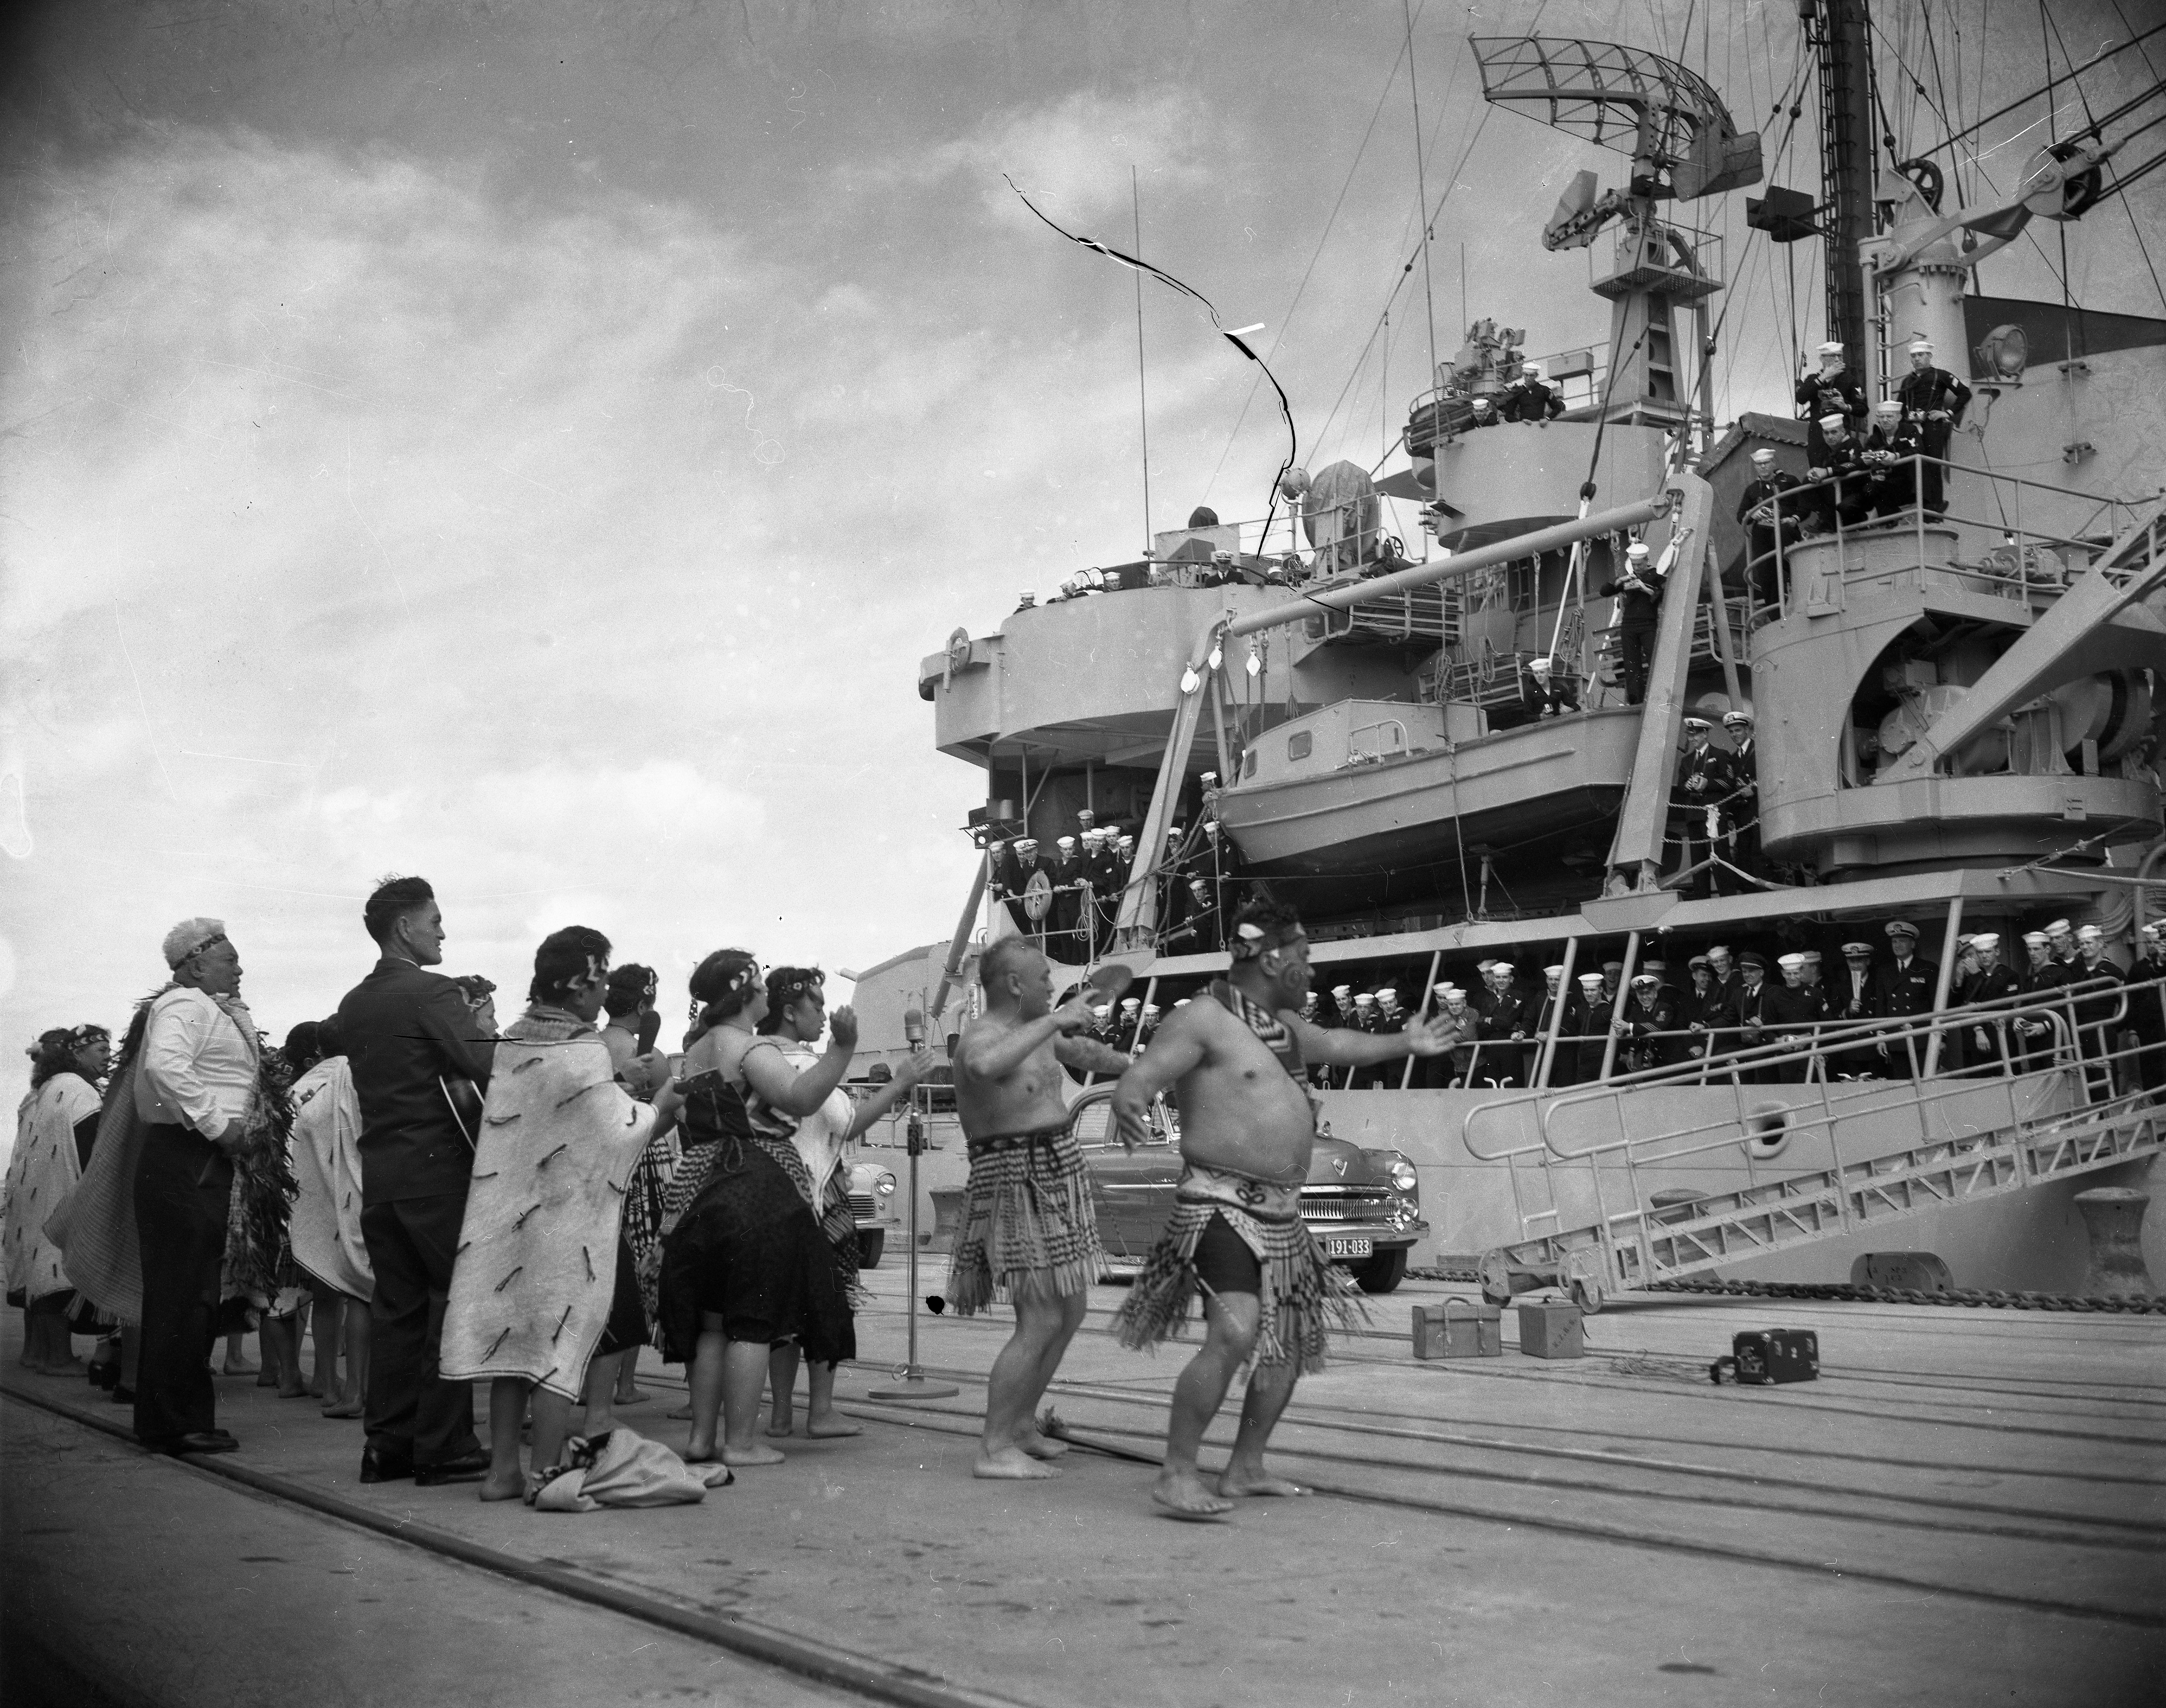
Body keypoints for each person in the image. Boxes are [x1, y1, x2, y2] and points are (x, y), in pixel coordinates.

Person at [1107, 899, 1450, 1516]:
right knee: (1235, 1330)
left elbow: (1339, 1043)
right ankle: (1177, 1472)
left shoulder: (1283, 1026)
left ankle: (1244, 1466)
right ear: (1270, 958)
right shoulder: (1204, 1018)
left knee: (1288, 1342)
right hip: (1219, 1201)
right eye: (1303, 959)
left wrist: (1405, 1039)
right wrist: (1130, 1098)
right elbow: (1146, 1072)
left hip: (1284, 1214)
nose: (1310, 971)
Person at [439, 927, 661, 1502]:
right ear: (578, 985)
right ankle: (547, 1474)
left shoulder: (510, 1043)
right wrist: (663, 1106)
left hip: (503, 1214)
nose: (605, 991)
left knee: (511, 1345)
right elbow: (619, 1131)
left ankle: (502, 1472)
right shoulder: (582, 1048)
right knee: (558, 1342)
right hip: (564, 1221)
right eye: (602, 980)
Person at [654, 949, 860, 1468]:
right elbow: (799, 1097)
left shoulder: (694, 1053)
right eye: (761, 984)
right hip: (755, 1184)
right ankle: (741, 1441)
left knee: (711, 1323)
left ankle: (702, 1438)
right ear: (744, 991)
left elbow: (655, 1120)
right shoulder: (746, 1047)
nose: (769, 992)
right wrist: (842, 1049)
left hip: (697, 1186)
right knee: (751, 1319)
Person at [945, 938, 1133, 1478]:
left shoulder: (1038, 1034)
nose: (1053, 986)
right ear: (1013, 983)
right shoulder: (983, 1036)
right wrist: (1055, 1020)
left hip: (1058, 1171)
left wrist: (1150, 1067)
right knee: (1040, 1316)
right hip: (1012, 1176)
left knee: (1069, 1310)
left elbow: (1089, 1056)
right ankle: (993, 1446)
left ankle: (1022, 1425)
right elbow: (981, 1066)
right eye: (1044, 977)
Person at [336, 875, 496, 1486]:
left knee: (397, 1311)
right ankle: (444, 1443)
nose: (442, 930)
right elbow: (485, 1061)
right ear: (405, 926)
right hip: (439, 1174)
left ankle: (388, 1444)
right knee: (452, 1306)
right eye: (435, 920)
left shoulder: (354, 1003)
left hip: (383, 1174)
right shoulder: (432, 992)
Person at [133, 919, 292, 1456]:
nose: (240, 967)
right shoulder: (186, 1006)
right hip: (190, 1160)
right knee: (185, 1296)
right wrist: (221, 1126)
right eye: (231, 958)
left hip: (194, 1161)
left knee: (193, 1295)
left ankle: (178, 1417)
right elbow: (165, 1065)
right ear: (197, 965)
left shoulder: (207, 1009)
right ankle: (174, 1422)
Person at [756, 966, 933, 1440]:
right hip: (815, 1201)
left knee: (779, 1314)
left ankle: (779, 1414)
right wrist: (899, 1083)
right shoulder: (799, 1064)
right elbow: (848, 1121)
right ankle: (820, 1411)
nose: (824, 1014)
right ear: (790, 1012)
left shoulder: (754, 1060)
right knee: (826, 1310)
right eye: (816, 1004)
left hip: (767, 1202)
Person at [7, 1026, 110, 1373]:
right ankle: (58, 1357)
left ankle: (36, 1352)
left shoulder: (41, 1092)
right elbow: (92, 1148)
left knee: (39, 1269)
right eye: (101, 1050)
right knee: (55, 1268)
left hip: (32, 1197)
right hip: (61, 1194)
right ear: (76, 1053)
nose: (108, 1056)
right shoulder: (79, 1090)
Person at [287, 1014, 373, 1418]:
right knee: (361, 1294)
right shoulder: (359, 1075)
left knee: (325, 1296)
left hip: (313, 1203)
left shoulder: (301, 1089)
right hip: (356, 1196)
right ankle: (360, 1387)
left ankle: (324, 1378)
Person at [1893, 337, 1971, 518]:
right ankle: (1920, 502)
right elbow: (1900, 407)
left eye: (1920, 355)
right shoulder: (1907, 382)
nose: (1917, 359)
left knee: (1933, 464)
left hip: (1932, 426)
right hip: (1912, 427)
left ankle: (1936, 505)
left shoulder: (1941, 376)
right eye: (1913, 356)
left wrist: (1948, 413)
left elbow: (1965, 393)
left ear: (1929, 356)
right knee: (1913, 463)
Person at [1870, 920, 1939, 1078]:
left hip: (1921, 1037)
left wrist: (1941, 1037)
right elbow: (1881, 1005)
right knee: (1901, 1085)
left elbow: (1937, 1004)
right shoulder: (1884, 971)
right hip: (1896, 1038)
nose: (1898, 945)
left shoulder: (1928, 968)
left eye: (1902, 941)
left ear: (1913, 944)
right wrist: (1881, 1036)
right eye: (1895, 942)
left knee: (1925, 1083)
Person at [1600, 541, 1665, 706]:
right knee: (1631, 663)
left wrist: (1644, 588)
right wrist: (1621, 580)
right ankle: (1636, 701)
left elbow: (1663, 594)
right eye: (1634, 565)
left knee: (1654, 659)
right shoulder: (1629, 577)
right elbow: (1605, 592)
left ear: (1646, 561)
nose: (1637, 568)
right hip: (1629, 625)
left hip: (1648, 624)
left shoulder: (1656, 576)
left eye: (1639, 565)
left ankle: (1659, 695)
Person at [1735, 448, 1802, 607]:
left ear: (1773, 463)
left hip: (1785, 530)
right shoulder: (1752, 490)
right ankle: (1776, 615)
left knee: (1792, 564)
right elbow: (1741, 516)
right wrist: (1753, 515)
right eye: (1759, 465)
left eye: (1766, 463)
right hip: (1763, 534)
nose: (1763, 467)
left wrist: (1794, 518)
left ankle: (1800, 589)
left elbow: (1804, 504)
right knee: (1766, 574)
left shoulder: (1789, 481)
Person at [1796, 341, 1868, 462]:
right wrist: (1824, 377)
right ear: (1822, 359)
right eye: (1833, 356)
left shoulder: (1849, 381)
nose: (1837, 360)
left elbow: (1864, 409)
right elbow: (1801, 398)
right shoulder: (1813, 379)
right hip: (1818, 435)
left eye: (1840, 356)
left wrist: (1846, 407)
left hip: (1840, 435)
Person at [2013, 931, 2071, 1071]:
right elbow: (2025, 1003)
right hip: (2032, 1037)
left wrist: (2045, 1025)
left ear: (2048, 949)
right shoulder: (2030, 978)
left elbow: (2069, 1007)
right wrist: (2019, 1017)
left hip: (2054, 1036)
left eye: (2037, 949)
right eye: (2029, 949)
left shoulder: (2061, 973)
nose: (2032, 953)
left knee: (2057, 1078)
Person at [1804, 414, 1874, 531]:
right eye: (1826, 433)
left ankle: (1857, 526)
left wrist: (1828, 471)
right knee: (1807, 482)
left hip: (1859, 491)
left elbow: (1856, 464)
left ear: (1843, 432)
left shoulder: (1853, 444)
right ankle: (1826, 521)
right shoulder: (1825, 451)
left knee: (1846, 507)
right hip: (1840, 492)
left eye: (1834, 432)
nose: (1830, 437)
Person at [1863, 399, 1926, 519]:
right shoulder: (1875, 437)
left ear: (1899, 417)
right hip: (1885, 479)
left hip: (1907, 479)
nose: (1885, 420)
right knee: (1869, 490)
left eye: (1889, 417)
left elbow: (1919, 450)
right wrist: (1869, 459)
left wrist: (1896, 456)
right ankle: (1893, 518)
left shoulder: (1909, 431)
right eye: (1882, 417)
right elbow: (1867, 454)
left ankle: (1893, 519)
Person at [1500, 362, 1564, 422]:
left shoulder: (1544, 390)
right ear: (1524, 375)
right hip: (1524, 428)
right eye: (1526, 375)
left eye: (1531, 376)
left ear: (1536, 376)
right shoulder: (1518, 392)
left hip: (1539, 427)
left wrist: (1547, 419)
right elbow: (1508, 415)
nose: (1528, 378)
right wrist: (1520, 423)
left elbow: (1557, 408)